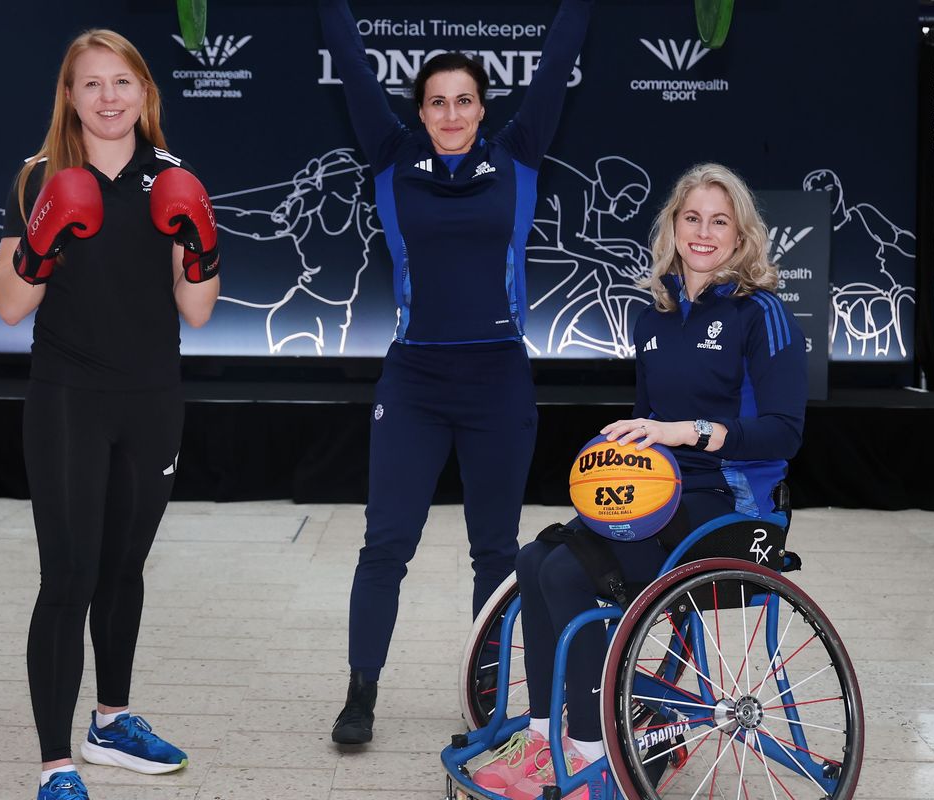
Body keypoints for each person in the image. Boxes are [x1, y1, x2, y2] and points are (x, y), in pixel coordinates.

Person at [471, 164, 806, 800]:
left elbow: (785, 432)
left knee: (572, 574)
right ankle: (545, 739)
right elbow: (650, 422)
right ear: (673, 227)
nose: (703, 233)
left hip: (735, 503)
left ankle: (594, 751)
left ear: (741, 235)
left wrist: (687, 431)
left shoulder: (761, 313)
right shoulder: (653, 313)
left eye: (719, 221)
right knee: (535, 559)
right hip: (667, 490)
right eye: (691, 218)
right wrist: (629, 440)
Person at [317, 0, 594, 745]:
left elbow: (562, 46)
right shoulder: (390, 157)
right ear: (420, 111)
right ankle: (360, 694)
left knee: (496, 553)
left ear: (482, 108)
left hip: (498, 379)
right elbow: (346, 56)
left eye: (463, 100)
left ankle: (485, 700)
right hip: (414, 381)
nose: (449, 113)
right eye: (436, 102)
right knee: (386, 544)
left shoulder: (519, 156)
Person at [0, 29, 221, 800]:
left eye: (122, 82)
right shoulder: (37, 178)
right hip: (67, 400)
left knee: (124, 569)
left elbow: (197, 312)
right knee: (69, 575)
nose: (108, 97)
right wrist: (40, 243)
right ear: (70, 97)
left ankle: (112, 721)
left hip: (153, 397)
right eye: (91, 84)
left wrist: (201, 242)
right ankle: (56, 763)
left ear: (146, 94)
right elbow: (12, 304)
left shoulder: (174, 179)